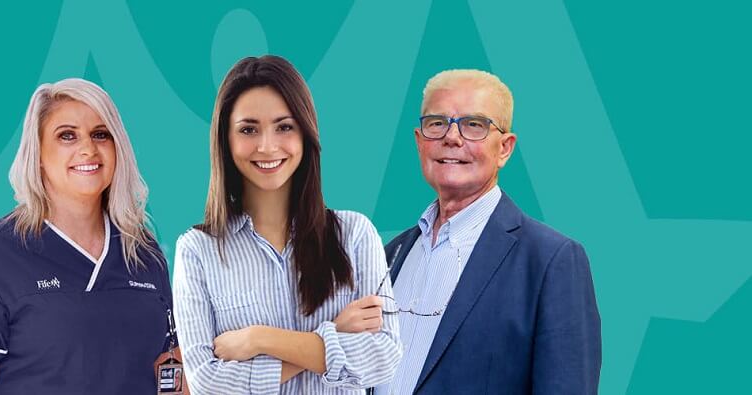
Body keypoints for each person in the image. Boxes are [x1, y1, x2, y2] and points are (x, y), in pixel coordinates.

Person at [172, 55, 402, 394]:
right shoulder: (197, 250)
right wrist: (333, 331)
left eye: (284, 127)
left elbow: (384, 357)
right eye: (249, 129)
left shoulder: (355, 234)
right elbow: (206, 381)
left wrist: (260, 339)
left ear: (306, 133)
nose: (267, 146)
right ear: (226, 139)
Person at [0, 78, 178, 394]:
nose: (87, 149)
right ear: (37, 153)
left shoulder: (143, 251)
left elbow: (169, 368)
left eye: (100, 134)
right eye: (67, 136)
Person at [374, 69, 601, 394]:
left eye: (474, 125)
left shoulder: (550, 261)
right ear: (419, 141)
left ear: (505, 148)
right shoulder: (390, 254)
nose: (451, 137)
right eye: (437, 123)